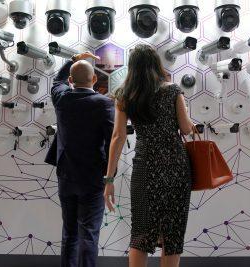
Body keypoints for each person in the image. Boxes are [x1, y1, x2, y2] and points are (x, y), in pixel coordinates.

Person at [103, 44, 194, 267]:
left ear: (132, 68)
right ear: (156, 64)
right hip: (175, 166)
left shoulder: (125, 95)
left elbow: (118, 136)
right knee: (172, 232)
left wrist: (109, 179)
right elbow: (185, 128)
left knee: (141, 232)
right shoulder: (172, 91)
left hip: (145, 166)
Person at [48, 52, 115, 267]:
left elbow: (56, 81)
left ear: (70, 81)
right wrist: (109, 176)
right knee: (88, 233)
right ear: (94, 79)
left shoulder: (62, 98)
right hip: (93, 178)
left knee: (69, 233)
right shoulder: (104, 103)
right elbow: (111, 140)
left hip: (66, 176)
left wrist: (73, 59)